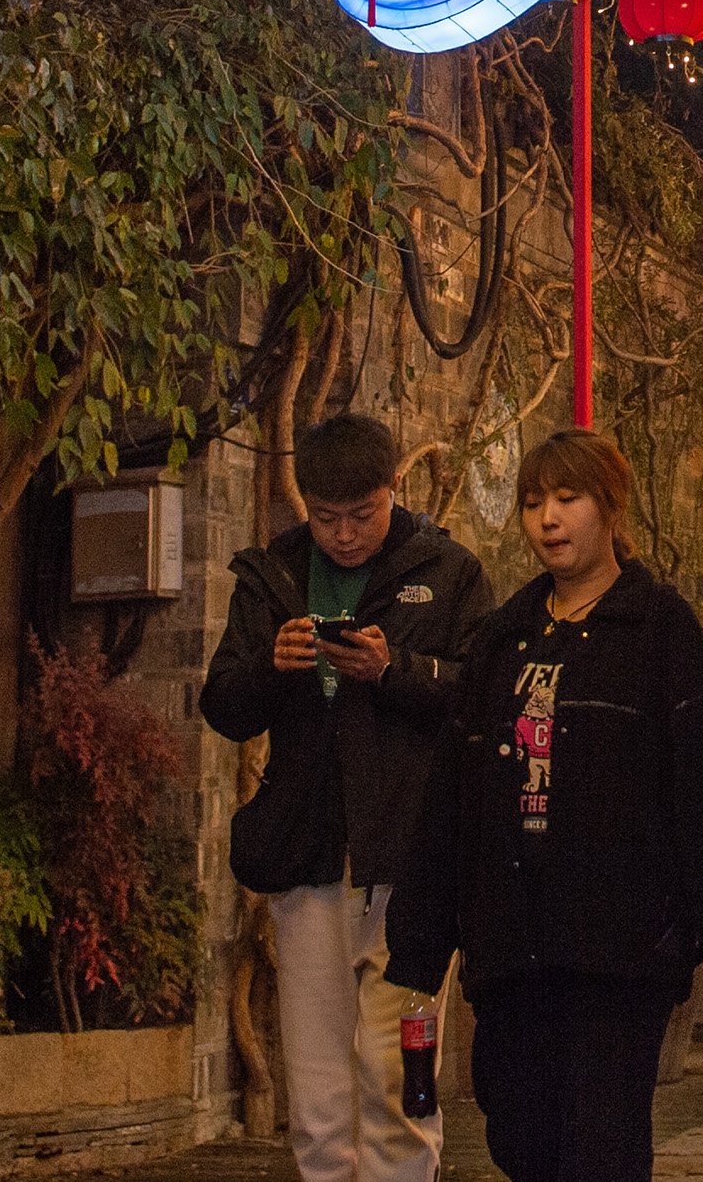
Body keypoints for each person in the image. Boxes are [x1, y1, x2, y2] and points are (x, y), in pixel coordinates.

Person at [385, 429, 703, 1182]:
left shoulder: (659, 628)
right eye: (534, 502)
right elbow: (453, 798)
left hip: (619, 946)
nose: (548, 519)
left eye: (568, 499)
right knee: (522, 1134)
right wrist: (423, 934)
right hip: (513, 943)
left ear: (609, 505)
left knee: (601, 1144)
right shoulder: (505, 639)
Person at [200, 412, 493, 1182]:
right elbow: (224, 704)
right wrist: (272, 664)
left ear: (391, 488)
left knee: (395, 1073)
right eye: (326, 516)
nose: (345, 534)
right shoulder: (273, 573)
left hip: (410, 862)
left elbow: (488, 698)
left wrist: (394, 671)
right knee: (320, 1084)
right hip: (309, 858)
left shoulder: (450, 571)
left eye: (361, 513)